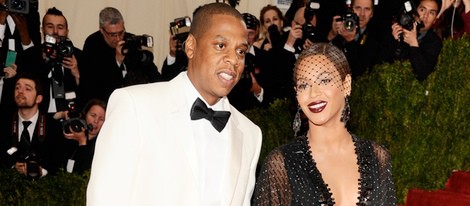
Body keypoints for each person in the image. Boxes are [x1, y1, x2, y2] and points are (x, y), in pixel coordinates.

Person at [86, 3, 262, 205]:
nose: (233, 59)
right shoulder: (135, 106)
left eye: (240, 51)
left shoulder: (250, 134)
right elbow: (105, 198)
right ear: (190, 47)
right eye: (221, 46)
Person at [252, 43, 397, 205]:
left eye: (324, 80)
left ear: (346, 84)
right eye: (304, 85)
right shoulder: (281, 164)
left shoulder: (377, 156)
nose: (313, 93)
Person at [79, 7, 161, 105]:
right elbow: (93, 84)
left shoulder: (130, 40)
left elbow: (153, 75)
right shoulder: (93, 44)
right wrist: (117, 61)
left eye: (121, 32)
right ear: (102, 31)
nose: (118, 38)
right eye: (112, 34)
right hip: (106, 103)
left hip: (134, 99)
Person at [0, 73, 61, 179]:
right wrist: (13, 167)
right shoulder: (3, 123)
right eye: (17, 87)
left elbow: (59, 162)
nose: (20, 91)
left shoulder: (53, 126)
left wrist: (43, 172)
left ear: (39, 98)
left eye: (27, 89)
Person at [384, 0, 443, 81]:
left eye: (431, 13)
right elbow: (379, 64)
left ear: (435, 20)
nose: (425, 16)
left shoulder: (435, 42)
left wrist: (413, 44)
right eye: (422, 10)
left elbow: (423, 74)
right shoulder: (399, 29)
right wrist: (394, 41)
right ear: (414, 11)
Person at [328, 0, 384, 78]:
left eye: (367, 9)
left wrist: (350, 42)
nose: (362, 14)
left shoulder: (377, 40)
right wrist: (331, 36)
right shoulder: (340, 31)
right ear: (350, 10)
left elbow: (361, 75)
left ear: (372, 13)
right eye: (358, 8)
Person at [61, 98, 105, 174]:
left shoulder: (103, 146)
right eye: (93, 115)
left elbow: (85, 172)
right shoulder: (71, 135)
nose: (96, 121)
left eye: (101, 119)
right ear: (85, 115)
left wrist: (82, 142)